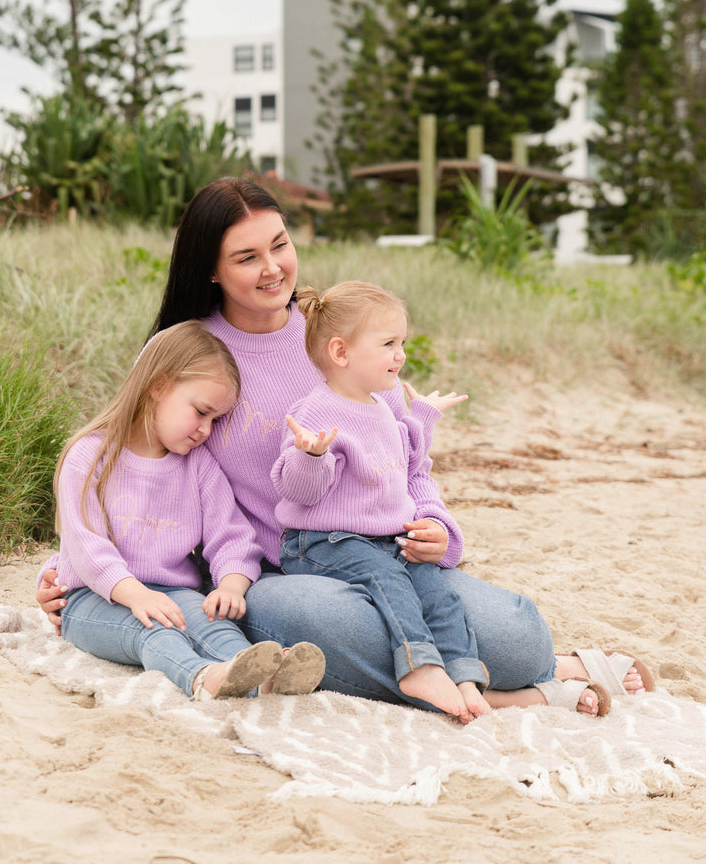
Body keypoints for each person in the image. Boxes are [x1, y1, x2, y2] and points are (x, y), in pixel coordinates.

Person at [39, 176, 654, 715]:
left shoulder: (334, 334)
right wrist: (73, 573)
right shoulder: (189, 355)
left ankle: (537, 669)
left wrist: (436, 522)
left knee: (518, 635)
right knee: (320, 624)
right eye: (247, 256)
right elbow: (132, 468)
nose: (273, 267)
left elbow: (407, 458)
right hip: (279, 576)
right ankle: (506, 694)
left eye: (280, 244)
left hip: (387, 553)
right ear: (211, 268)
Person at [43, 319, 325, 700]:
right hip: (95, 600)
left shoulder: (198, 466)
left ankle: (260, 675)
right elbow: (86, 548)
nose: (205, 430)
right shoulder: (90, 457)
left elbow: (231, 537)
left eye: (215, 420)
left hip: (174, 591)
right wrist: (136, 595)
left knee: (214, 622)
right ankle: (203, 677)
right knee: (155, 630)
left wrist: (231, 585)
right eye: (201, 411)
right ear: (158, 387)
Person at [272, 281, 491, 723]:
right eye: (389, 344)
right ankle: (420, 667)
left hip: (384, 538)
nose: (401, 355)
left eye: (402, 343)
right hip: (321, 541)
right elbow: (299, 490)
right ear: (341, 352)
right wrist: (310, 456)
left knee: (434, 589)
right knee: (389, 579)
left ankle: (463, 675)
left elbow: (408, 464)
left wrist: (423, 417)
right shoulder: (316, 412)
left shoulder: (380, 407)